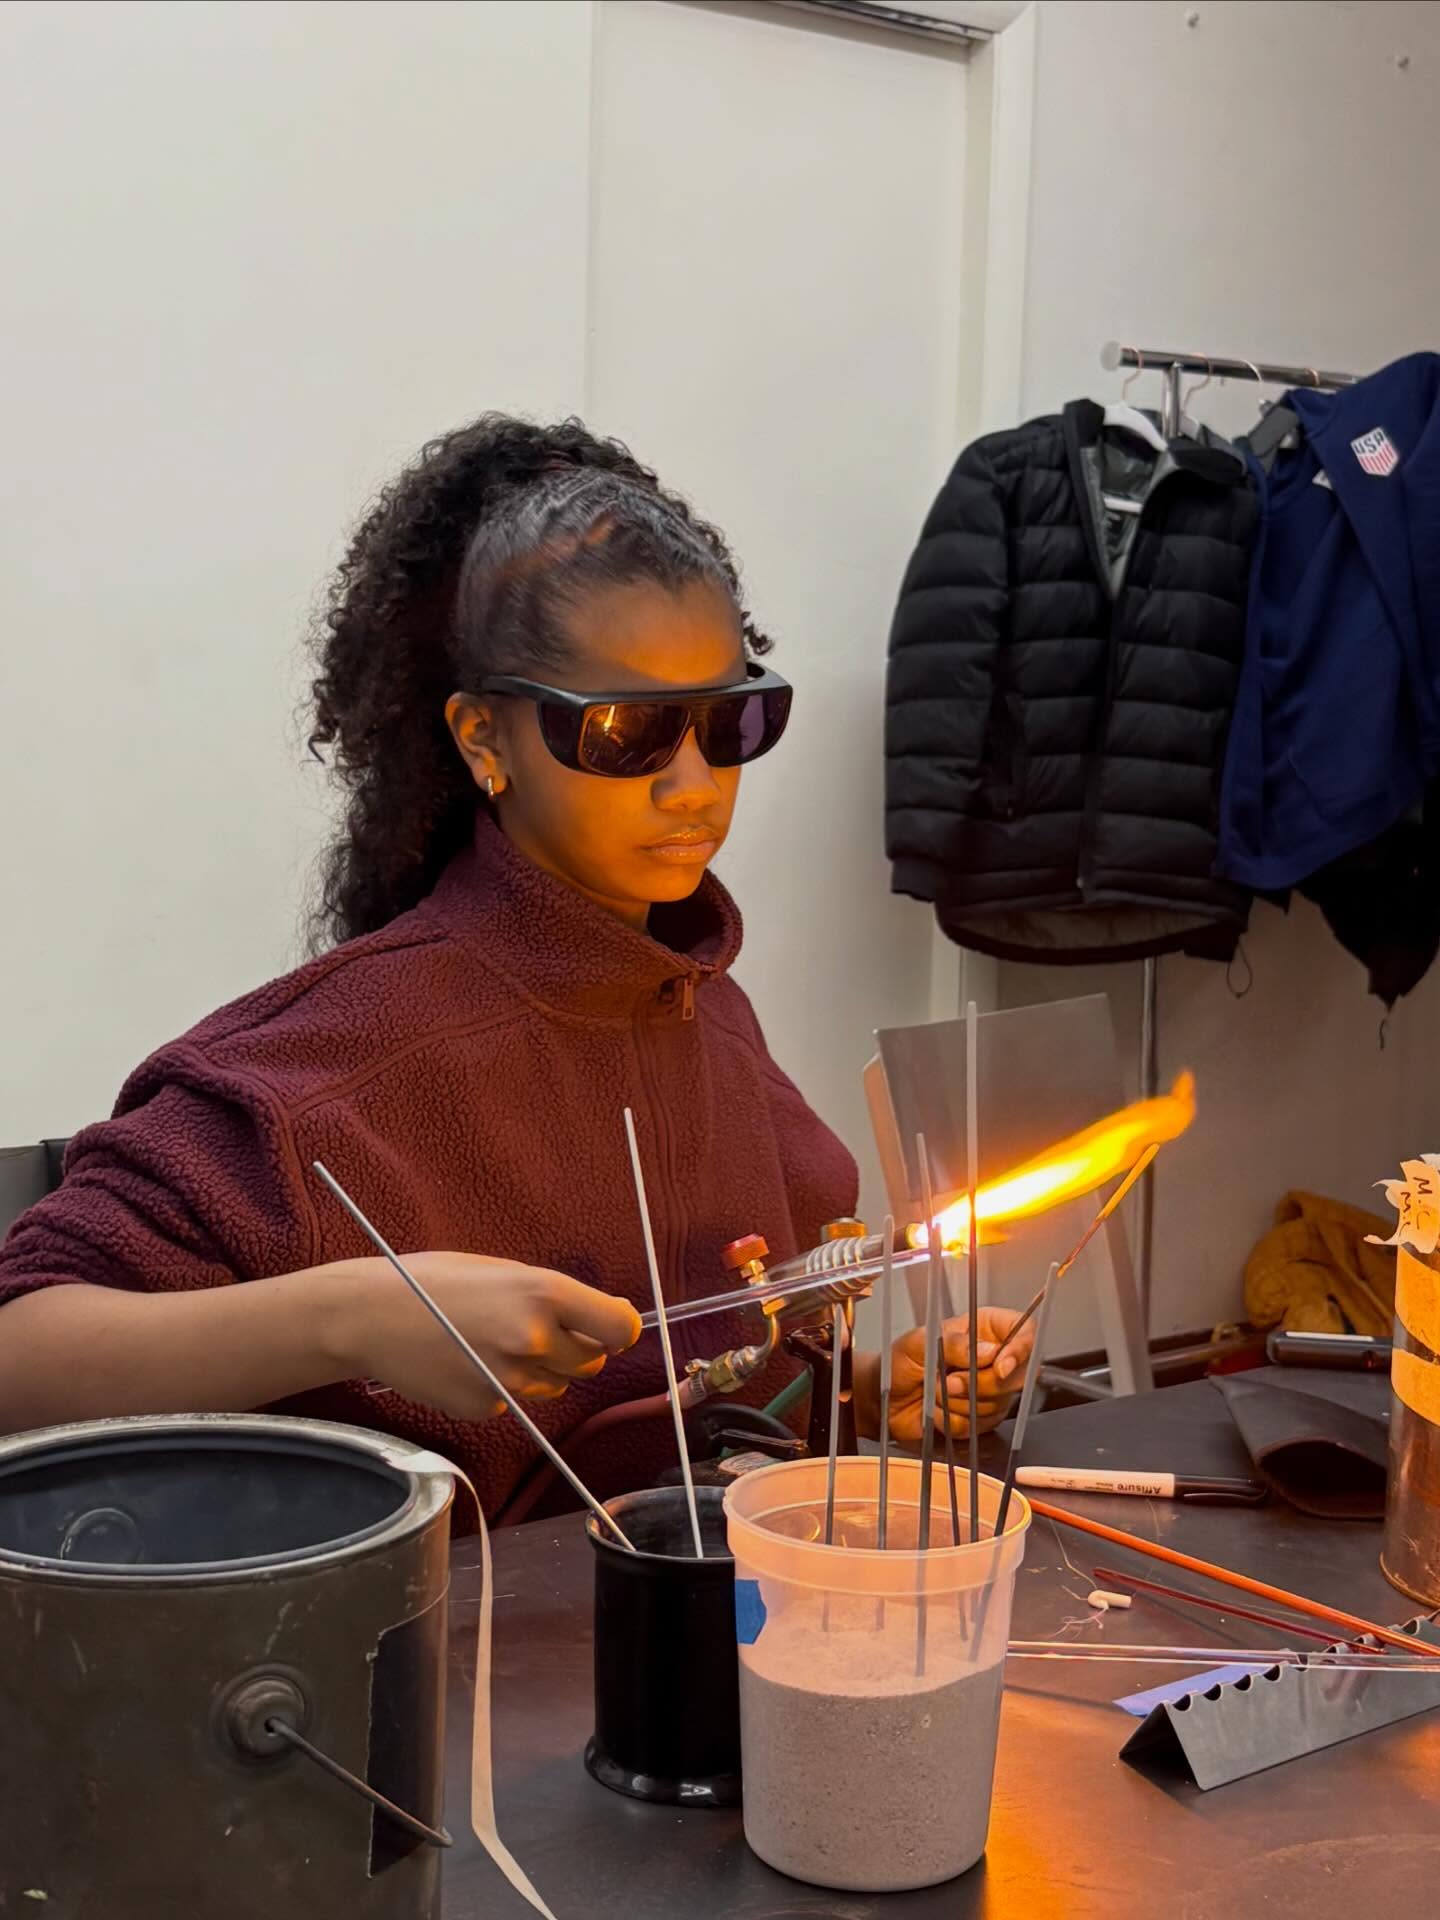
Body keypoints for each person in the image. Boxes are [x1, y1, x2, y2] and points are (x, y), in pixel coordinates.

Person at [0, 415, 1032, 1518]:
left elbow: (700, 1389)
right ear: (485, 740)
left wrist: (871, 1396)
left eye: (729, 720)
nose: (693, 786)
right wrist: (358, 1316)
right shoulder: (332, 1072)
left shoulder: (704, 1009)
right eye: (628, 731)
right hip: (455, 1677)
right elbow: (22, 1359)